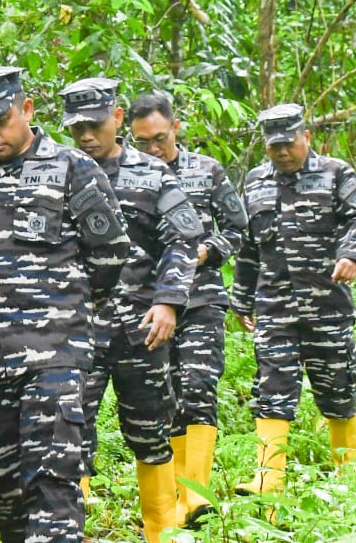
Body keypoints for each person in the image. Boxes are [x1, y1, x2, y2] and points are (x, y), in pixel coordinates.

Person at [0, 66, 136, 543]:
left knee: (52, 482)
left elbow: (110, 253)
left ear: (27, 109)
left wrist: (67, 307)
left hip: (55, 353)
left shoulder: (73, 168)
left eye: (0, 120)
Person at [58, 78, 202, 543]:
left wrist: (168, 301)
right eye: (77, 127)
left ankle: (162, 529)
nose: (86, 136)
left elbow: (183, 239)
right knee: (68, 431)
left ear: (117, 118)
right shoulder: (56, 173)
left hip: (142, 327)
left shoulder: (153, 174)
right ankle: (68, 529)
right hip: (75, 328)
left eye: (95, 125)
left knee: (150, 432)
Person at [231, 103, 356, 499]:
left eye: (289, 144)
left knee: (338, 389)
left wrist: (352, 255)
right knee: (271, 389)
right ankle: (268, 480)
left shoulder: (335, 174)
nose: (282, 152)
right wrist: (241, 299)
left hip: (328, 306)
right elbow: (249, 246)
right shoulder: (256, 182)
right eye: (274, 146)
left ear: (306, 137)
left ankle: (348, 475)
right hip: (275, 308)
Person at [127, 92, 248, 526]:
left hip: (200, 299)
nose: (153, 148)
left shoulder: (206, 171)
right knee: (165, 398)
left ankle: (195, 496)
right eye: (143, 142)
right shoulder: (124, 176)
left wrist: (205, 252)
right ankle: (173, 497)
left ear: (175, 128)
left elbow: (237, 227)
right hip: (148, 303)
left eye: (160, 138)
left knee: (198, 386)